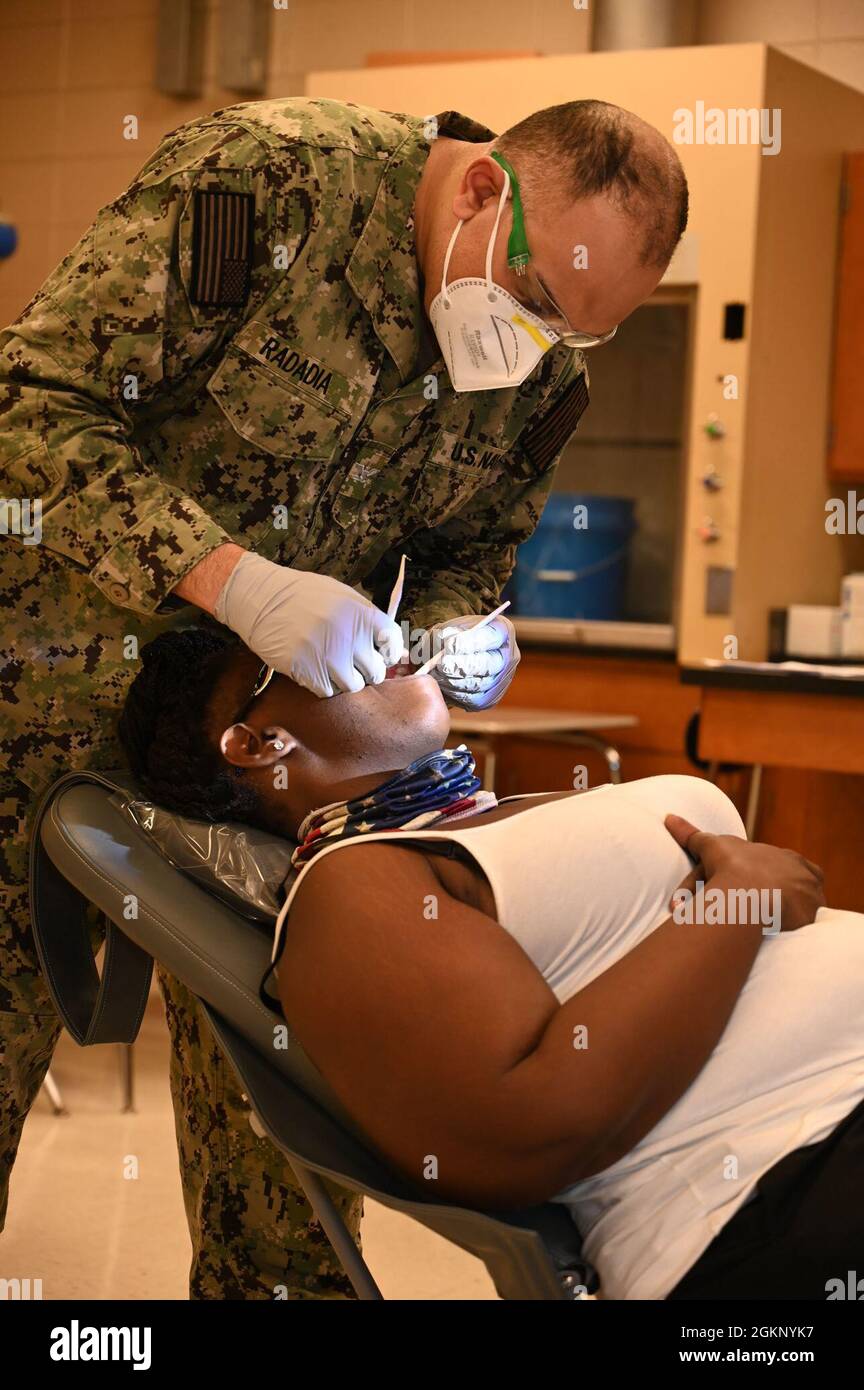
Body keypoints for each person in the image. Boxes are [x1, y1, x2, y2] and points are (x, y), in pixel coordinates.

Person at [0, 94, 687, 1296]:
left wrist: (462, 631)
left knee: (284, 1124)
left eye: (576, 337)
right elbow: (31, 413)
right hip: (42, 686)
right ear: (481, 193)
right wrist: (230, 578)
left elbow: (472, 547)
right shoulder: (269, 186)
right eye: (532, 307)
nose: (533, 351)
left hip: (274, 761)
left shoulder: (540, 375)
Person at [117, 626, 864, 1302]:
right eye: (325, 653)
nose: (384, 643)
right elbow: (527, 1129)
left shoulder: (479, 820)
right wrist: (736, 901)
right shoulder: (353, 886)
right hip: (786, 1183)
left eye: (376, 627)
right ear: (257, 743)